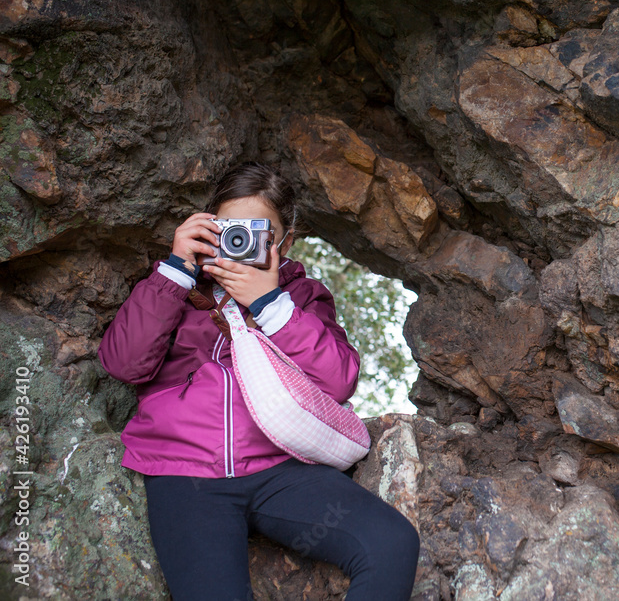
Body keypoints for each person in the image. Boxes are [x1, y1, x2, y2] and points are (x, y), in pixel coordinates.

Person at [98, 162, 420, 601]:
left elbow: (339, 379)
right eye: (229, 228)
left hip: (281, 469)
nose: (239, 242)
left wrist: (269, 302)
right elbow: (123, 363)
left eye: (257, 232)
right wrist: (175, 268)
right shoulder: (172, 288)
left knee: (391, 543)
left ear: (286, 240)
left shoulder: (302, 296)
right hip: (185, 474)